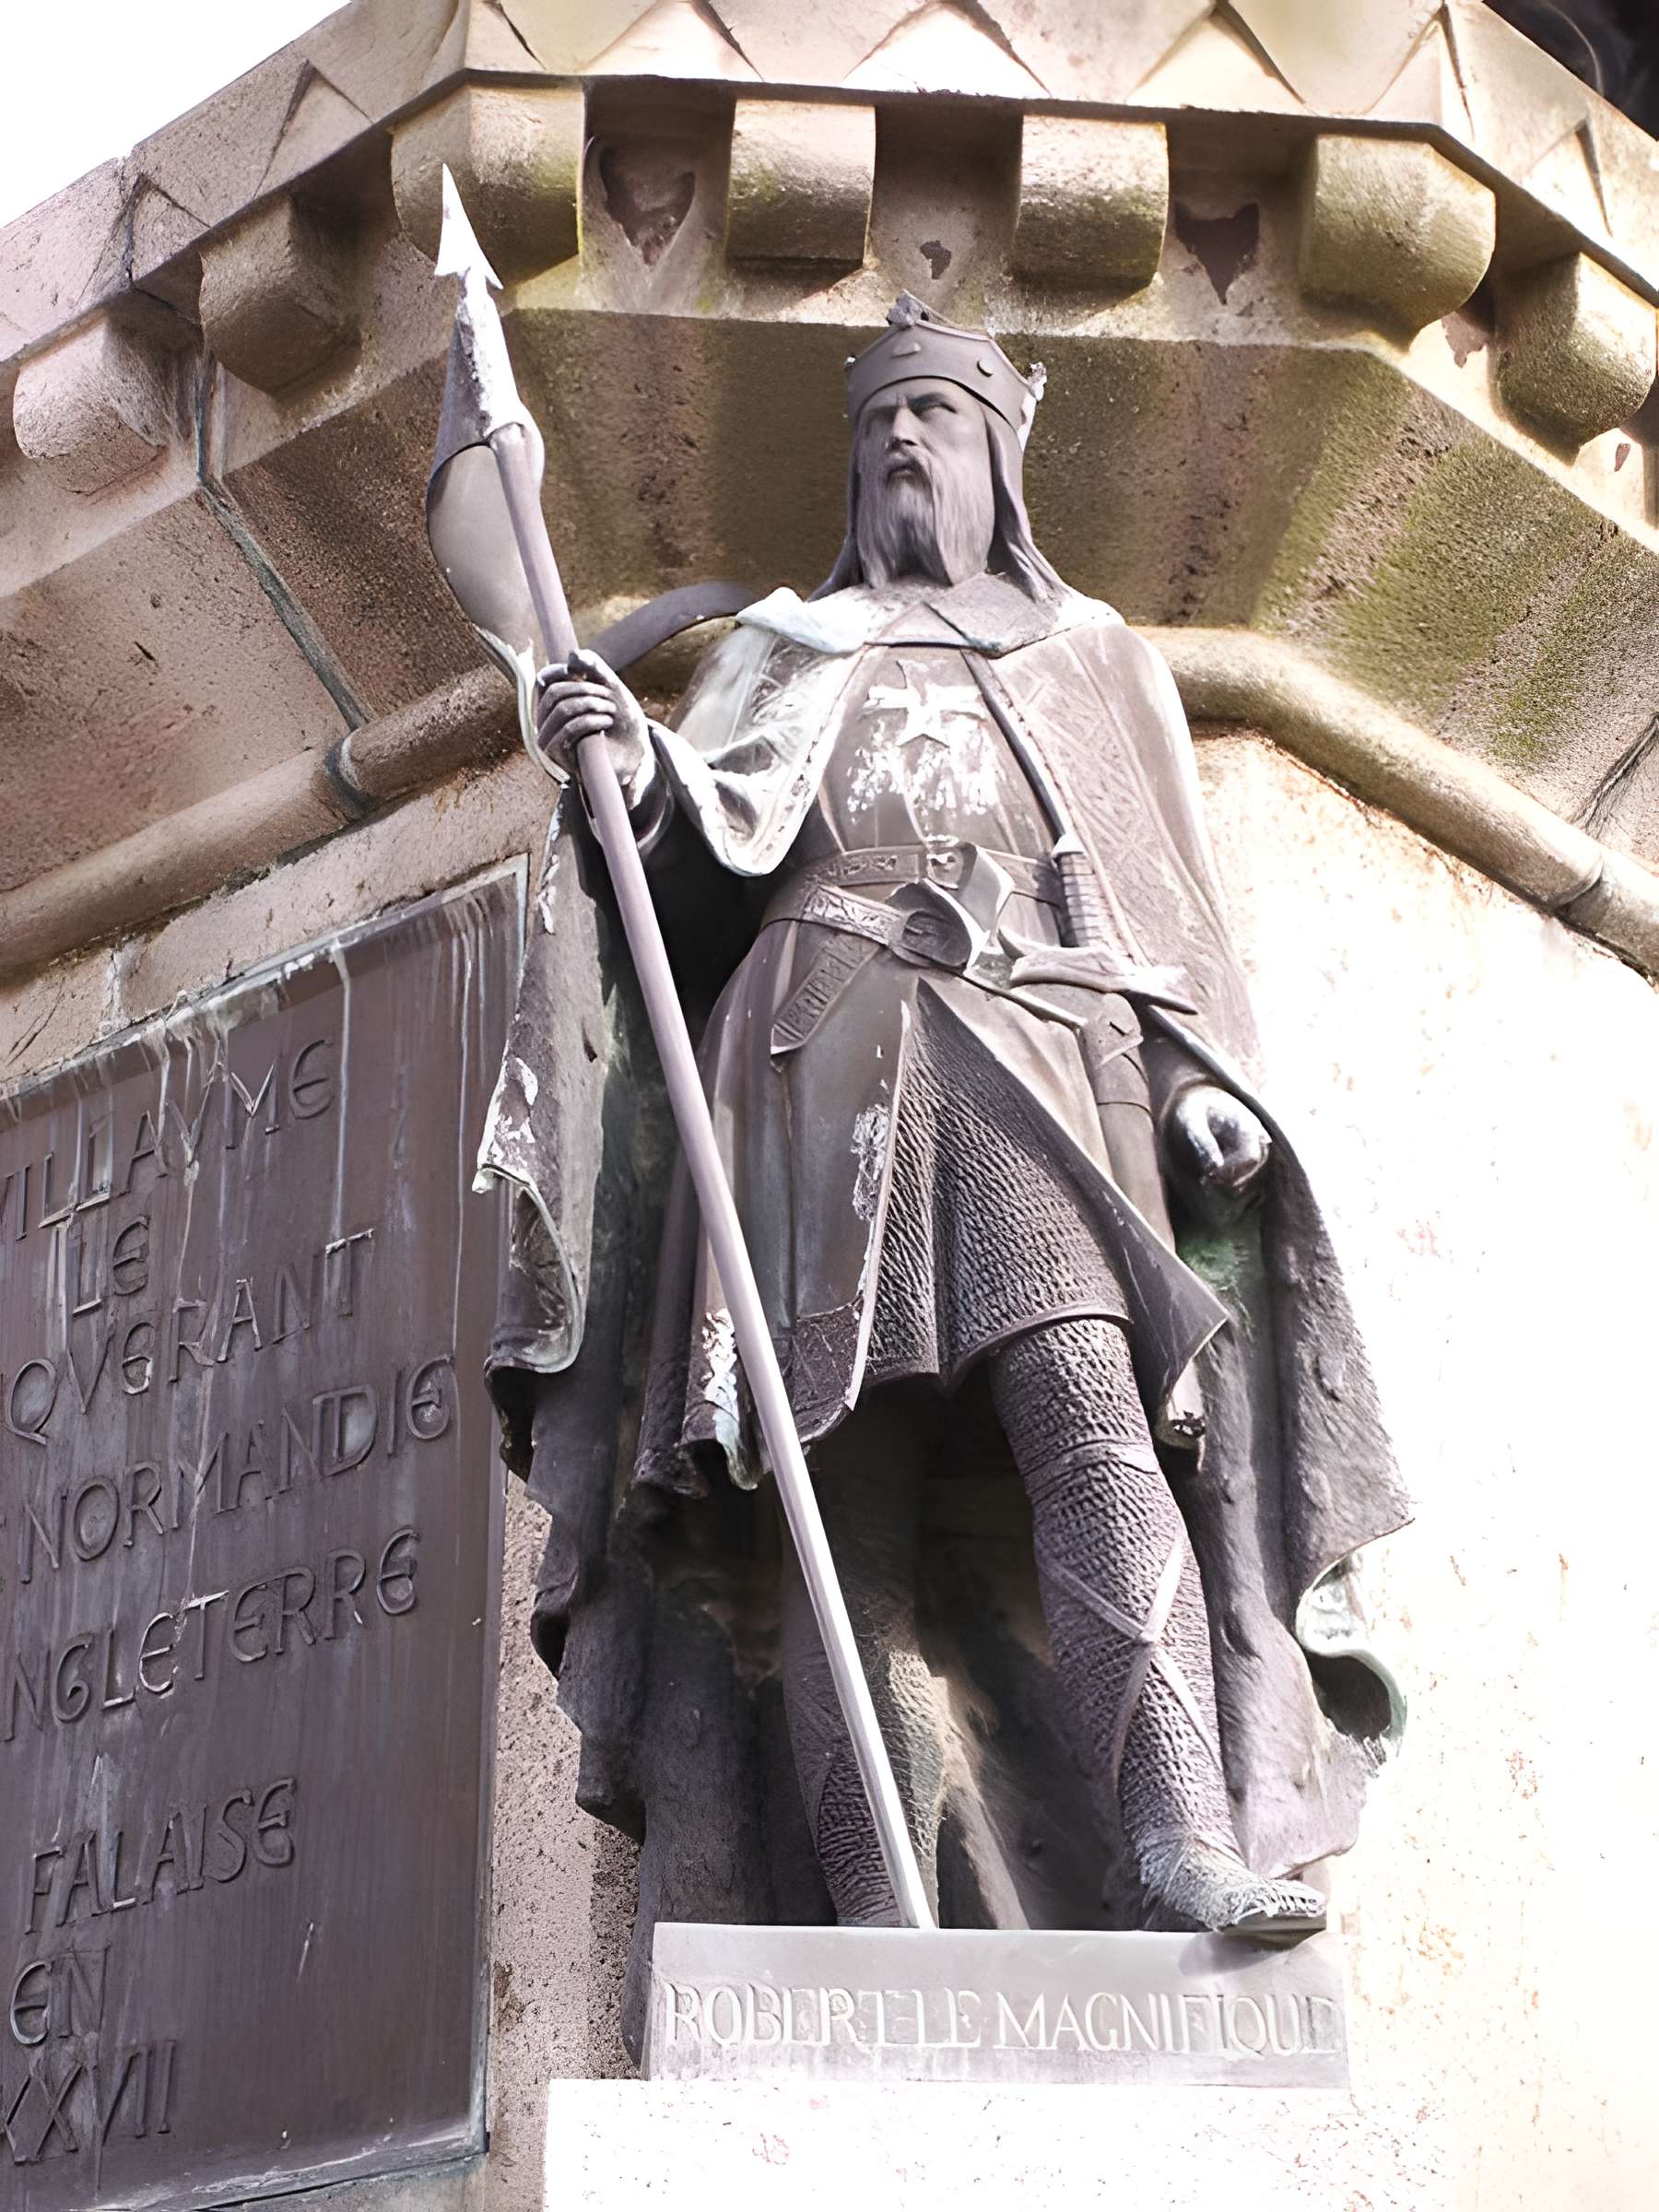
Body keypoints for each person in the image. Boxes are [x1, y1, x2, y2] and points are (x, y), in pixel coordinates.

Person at [480, 298, 1406, 2035]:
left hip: (1034, 1062)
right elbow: (689, 863)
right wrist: (634, 767)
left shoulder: (1090, 657)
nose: (906, 442)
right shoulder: (784, 647)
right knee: (844, 1519)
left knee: (1096, 1432)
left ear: (1000, 456)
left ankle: (1181, 1842)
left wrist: (1199, 1086)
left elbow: (1167, 917)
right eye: (881, 423)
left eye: (940, 419)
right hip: (811, 1070)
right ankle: (874, 1906)